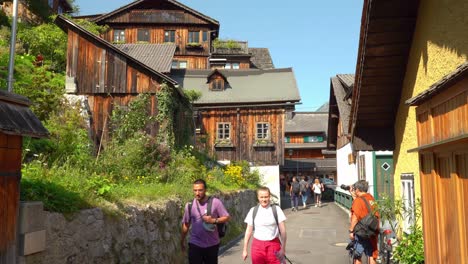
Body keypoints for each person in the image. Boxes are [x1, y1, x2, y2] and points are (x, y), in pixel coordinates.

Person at [181, 179, 231, 264]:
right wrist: (181, 240)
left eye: (200, 190)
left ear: (205, 190)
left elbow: (227, 217)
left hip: (212, 245)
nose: (197, 193)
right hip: (195, 244)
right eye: (195, 190)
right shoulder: (189, 205)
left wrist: (213, 220)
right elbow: (186, 224)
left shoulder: (215, 202)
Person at [242, 186, 287, 264]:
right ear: (258, 197)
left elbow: (283, 231)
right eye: (261, 197)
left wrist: (283, 248)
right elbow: (248, 231)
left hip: (273, 245)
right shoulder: (253, 211)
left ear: (269, 197)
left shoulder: (276, 210)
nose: (264, 199)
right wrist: (245, 249)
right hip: (257, 247)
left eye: (266, 197)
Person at [348, 180, 379, 264]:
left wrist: (351, 231)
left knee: (357, 256)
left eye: (355, 189)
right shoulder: (371, 198)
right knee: (371, 255)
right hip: (372, 230)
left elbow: (355, 217)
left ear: (357, 189)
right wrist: (354, 196)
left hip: (361, 232)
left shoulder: (358, 201)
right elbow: (364, 207)